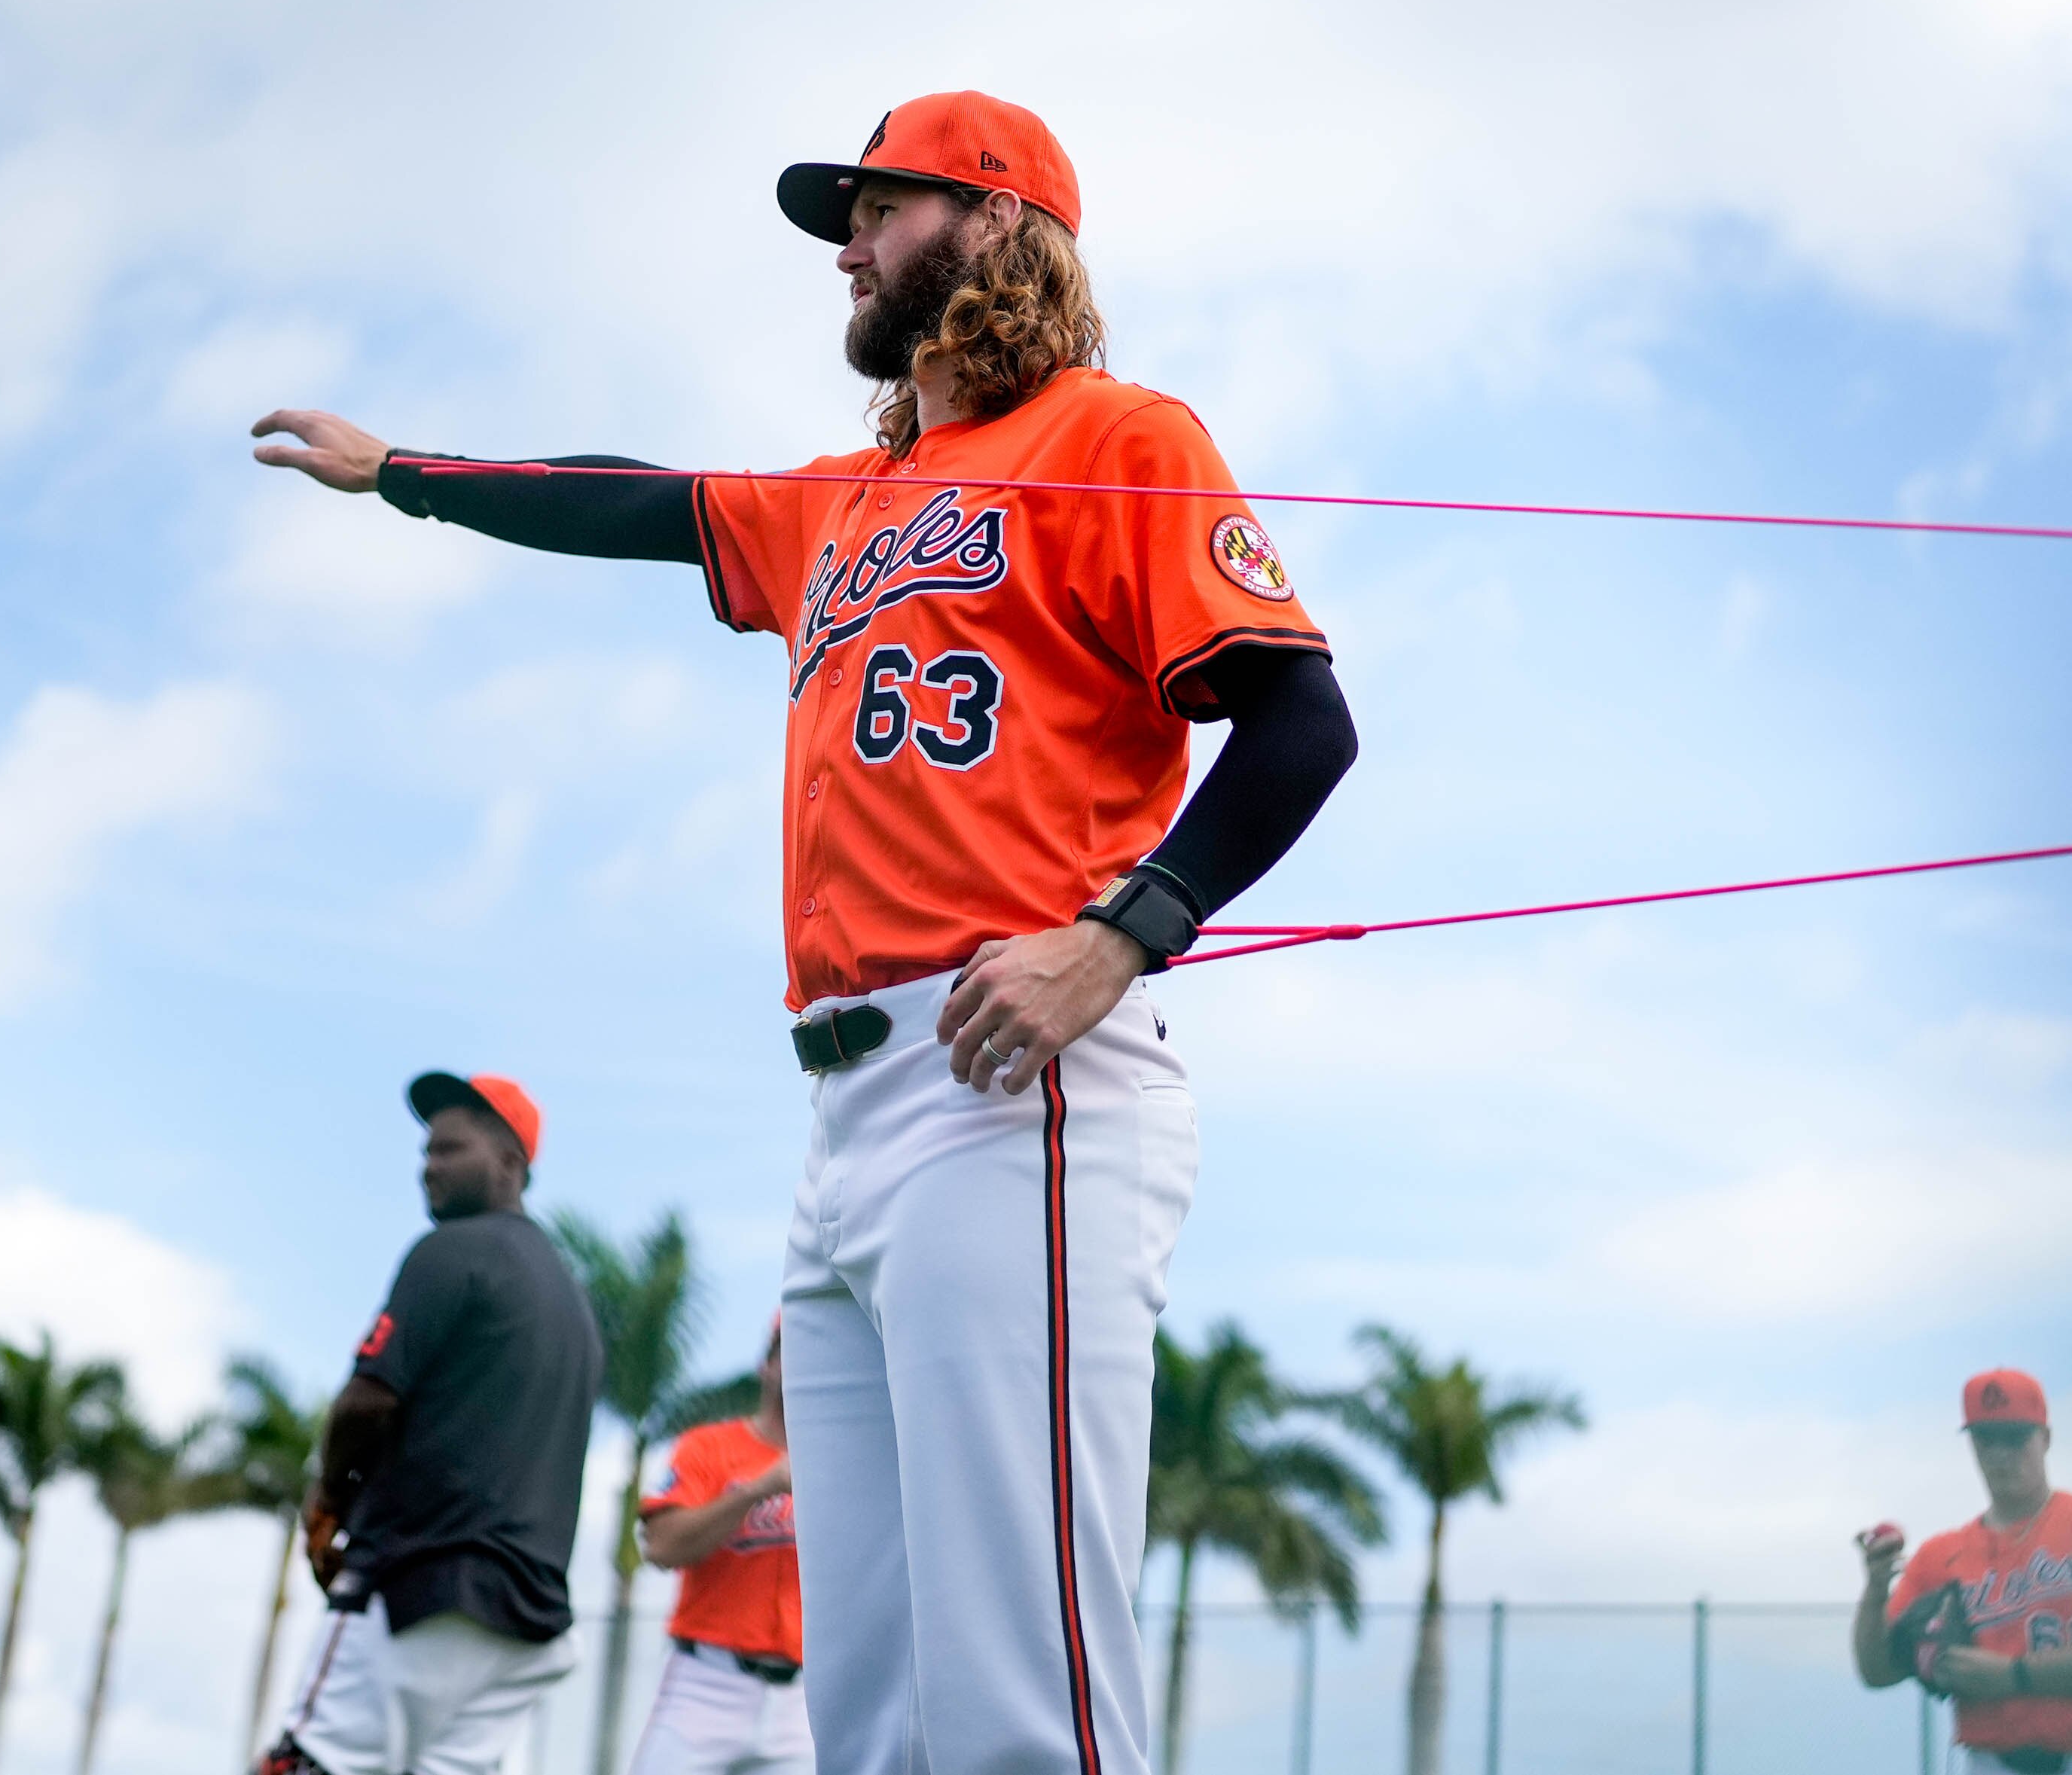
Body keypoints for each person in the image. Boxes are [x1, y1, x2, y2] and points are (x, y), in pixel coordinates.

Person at [249, 89, 1357, 1775]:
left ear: (995, 226)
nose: (846, 240)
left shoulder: (1119, 434)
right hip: (844, 1118)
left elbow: (1300, 724)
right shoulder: (840, 493)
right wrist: (405, 473)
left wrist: (1122, 933)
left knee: (1018, 1696)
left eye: (881, 205)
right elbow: (635, 498)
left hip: (1014, 1073)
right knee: (877, 1703)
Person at [261, 1072, 603, 1775]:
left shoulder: (452, 1250)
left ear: (510, 1160)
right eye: (425, 1151)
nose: (428, 1165)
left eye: (449, 1149)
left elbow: (367, 1402)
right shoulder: (574, 1305)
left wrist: (328, 1503)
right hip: (524, 1628)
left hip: (420, 1588)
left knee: (306, 1766)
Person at [1852, 1369, 2072, 1774]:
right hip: (1991, 1763)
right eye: (1986, 1439)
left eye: (2015, 1437)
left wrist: (2014, 1676)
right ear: (1972, 1444)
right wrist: (1875, 1591)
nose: (2000, 1454)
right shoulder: (1940, 1555)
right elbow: (1878, 1671)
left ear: (2045, 1438)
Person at [628, 1316, 812, 1775]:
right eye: (789, 1350)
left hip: (800, 1700)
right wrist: (755, 1490)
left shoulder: (844, 1465)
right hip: (706, 1684)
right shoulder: (709, 1447)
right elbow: (661, 1547)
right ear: (767, 1364)